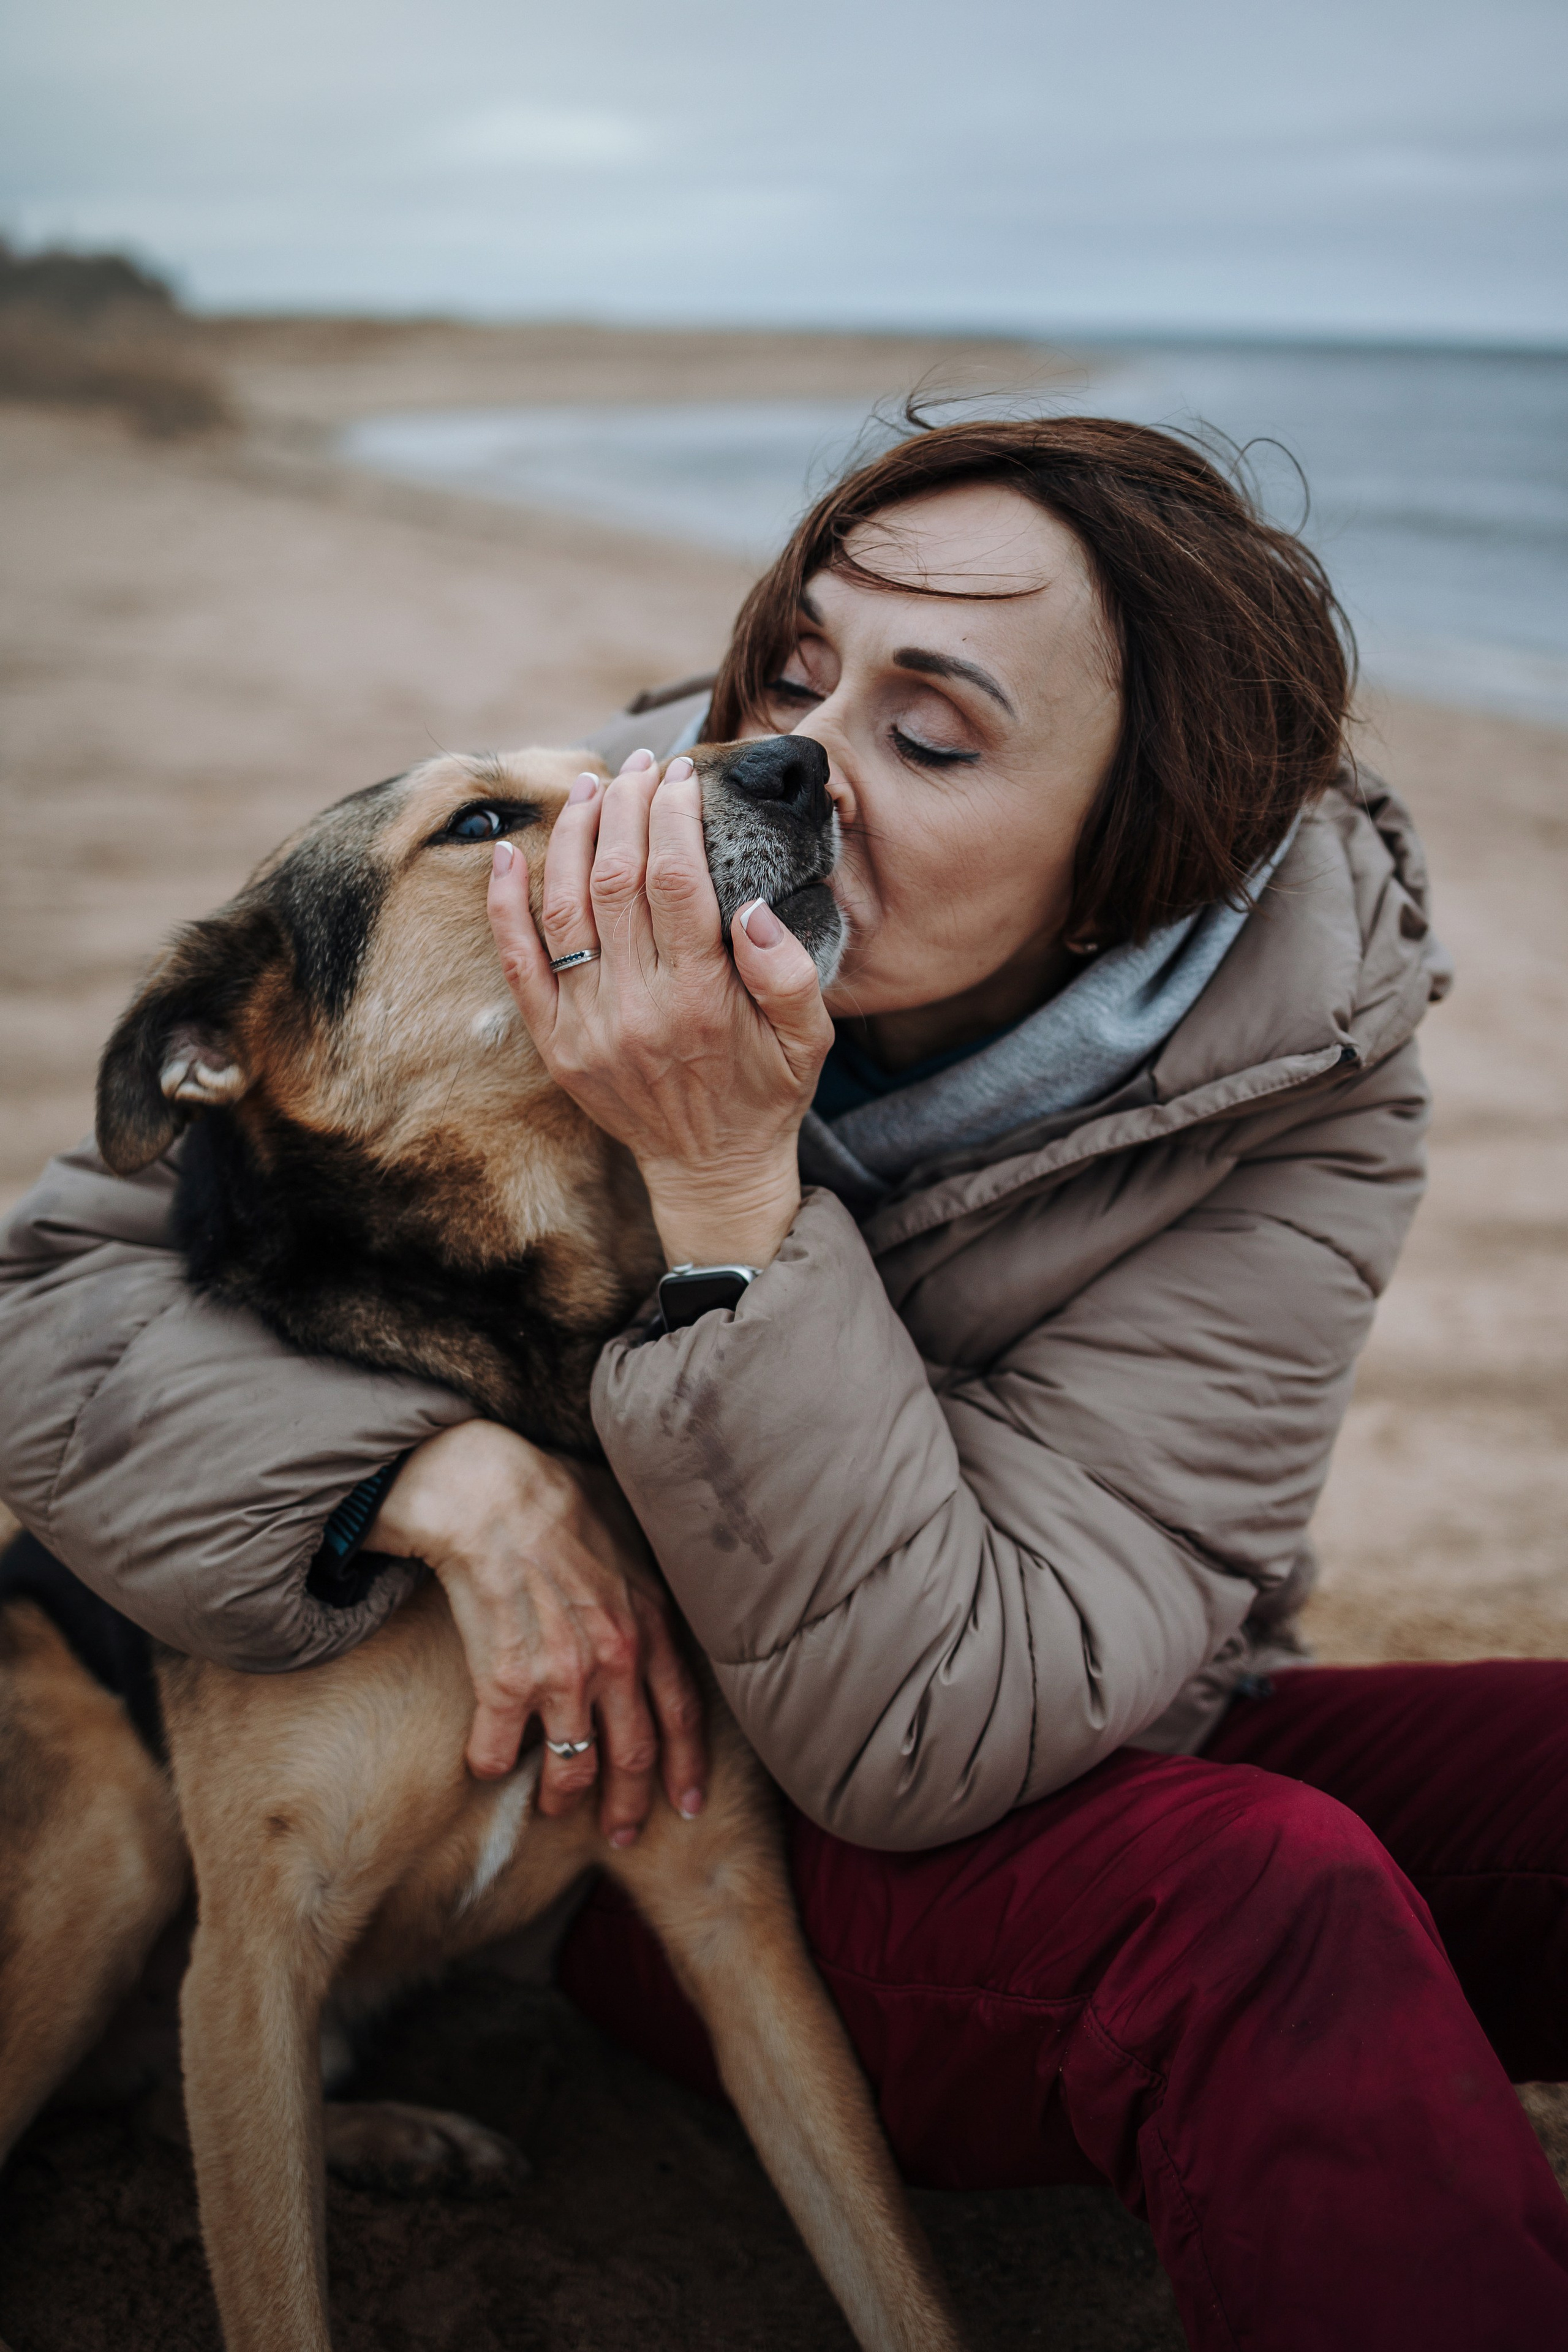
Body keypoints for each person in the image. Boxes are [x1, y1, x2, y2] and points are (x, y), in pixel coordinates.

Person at [2, 416, 1566, 2348]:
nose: (793, 762)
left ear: (1124, 849)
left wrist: (731, 1182)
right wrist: (422, 1477)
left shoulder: (1306, 1109)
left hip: (1013, 1716)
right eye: (795, 668)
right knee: (1263, 1897)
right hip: (758, 1827)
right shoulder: (646, 826)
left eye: (935, 736)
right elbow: (69, 1280)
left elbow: (948, 1720)